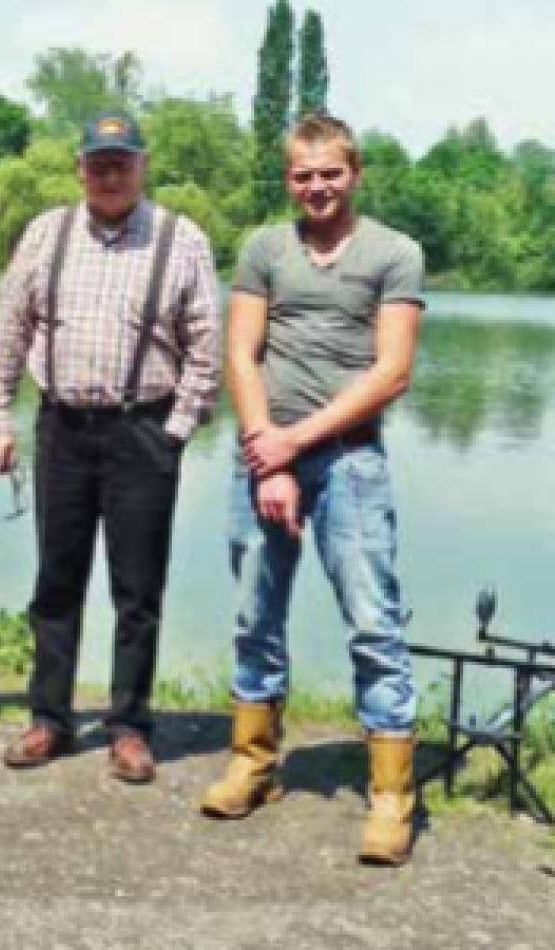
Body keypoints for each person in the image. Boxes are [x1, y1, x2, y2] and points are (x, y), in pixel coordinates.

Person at [199, 113, 425, 867]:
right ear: (288, 178)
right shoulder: (265, 248)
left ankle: (392, 797)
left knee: (373, 623)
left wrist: (299, 444)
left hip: (350, 464)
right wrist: (272, 456)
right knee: (254, 616)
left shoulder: (396, 253)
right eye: (303, 174)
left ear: (355, 173)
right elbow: (241, 353)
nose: (317, 186)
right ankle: (254, 763)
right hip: (264, 456)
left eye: (330, 172)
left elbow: (391, 373)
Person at [0, 110, 221, 783]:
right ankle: (49, 719)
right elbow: (7, 332)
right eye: (99, 161)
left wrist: (174, 434)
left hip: (143, 429)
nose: (110, 173)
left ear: (142, 167)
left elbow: (207, 350)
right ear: (80, 168)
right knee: (56, 584)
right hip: (61, 426)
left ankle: (129, 726)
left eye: (123, 161)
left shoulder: (182, 239)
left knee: (137, 590)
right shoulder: (46, 233)